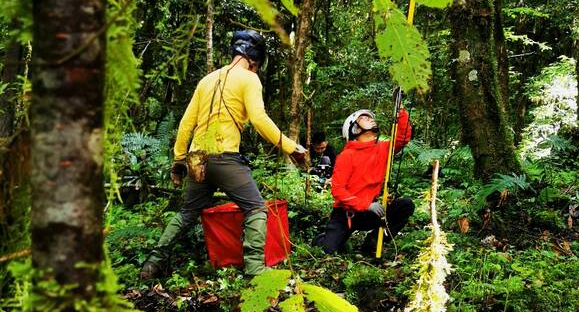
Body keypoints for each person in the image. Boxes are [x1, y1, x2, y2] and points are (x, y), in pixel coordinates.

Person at [141, 30, 305, 279]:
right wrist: (292, 148)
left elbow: (186, 124)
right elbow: (259, 119)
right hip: (225, 157)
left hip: (197, 159)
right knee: (256, 209)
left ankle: (152, 263)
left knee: (187, 212)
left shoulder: (206, 80)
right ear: (254, 60)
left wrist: (178, 160)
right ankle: (255, 270)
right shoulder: (249, 80)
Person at [313, 103, 414, 255]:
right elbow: (338, 190)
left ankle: (372, 241)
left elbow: (401, 138)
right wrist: (365, 204)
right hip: (346, 214)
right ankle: (323, 238)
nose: (370, 119)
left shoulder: (382, 149)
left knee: (405, 205)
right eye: (364, 118)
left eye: (370, 117)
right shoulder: (346, 156)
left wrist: (400, 111)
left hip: (372, 212)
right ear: (355, 129)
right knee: (327, 250)